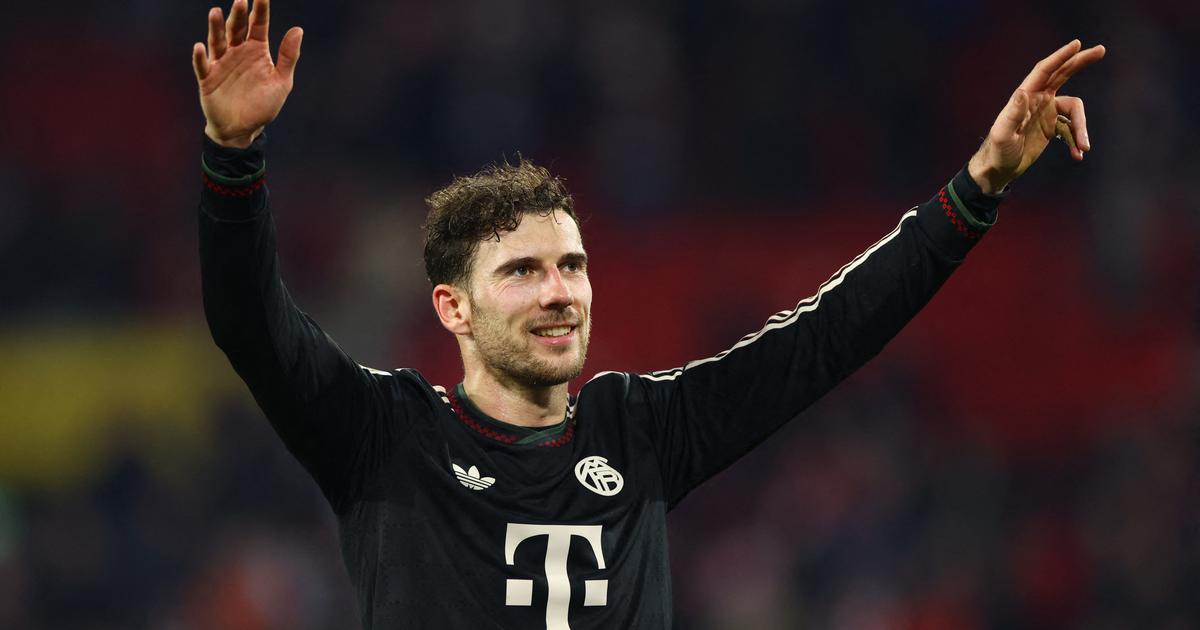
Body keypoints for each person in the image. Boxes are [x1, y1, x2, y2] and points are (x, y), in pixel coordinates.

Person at [191, 1, 1105, 627]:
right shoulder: (383, 434)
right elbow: (249, 324)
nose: (559, 291)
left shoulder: (640, 429)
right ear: (452, 309)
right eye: (522, 272)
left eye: (572, 266)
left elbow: (826, 336)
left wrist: (978, 187)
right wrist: (233, 156)